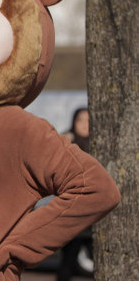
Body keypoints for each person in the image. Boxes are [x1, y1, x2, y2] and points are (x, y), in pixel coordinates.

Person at [57, 107, 91, 281]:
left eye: (88, 121)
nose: (85, 125)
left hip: (96, 214)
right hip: (73, 213)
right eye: (80, 120)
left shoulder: (99, 144)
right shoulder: (67, 144)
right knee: (68, 260)